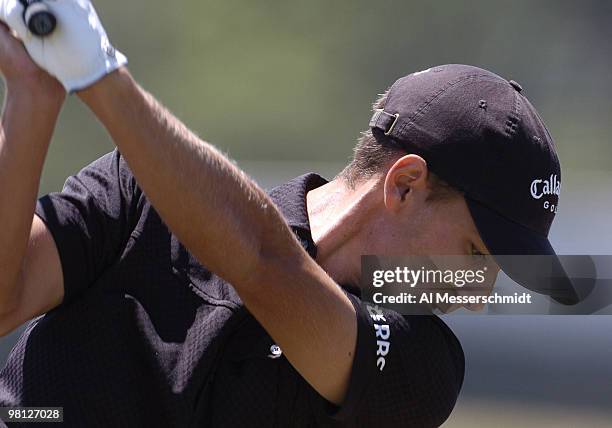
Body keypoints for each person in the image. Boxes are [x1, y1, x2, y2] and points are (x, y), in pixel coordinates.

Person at [0, 1, 578, 427]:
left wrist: (101, 76)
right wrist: (33, 96)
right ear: (404, 185)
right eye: (477, 254)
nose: (478, 295)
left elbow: (265, 265)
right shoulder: (137, 193)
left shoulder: (422, 366)